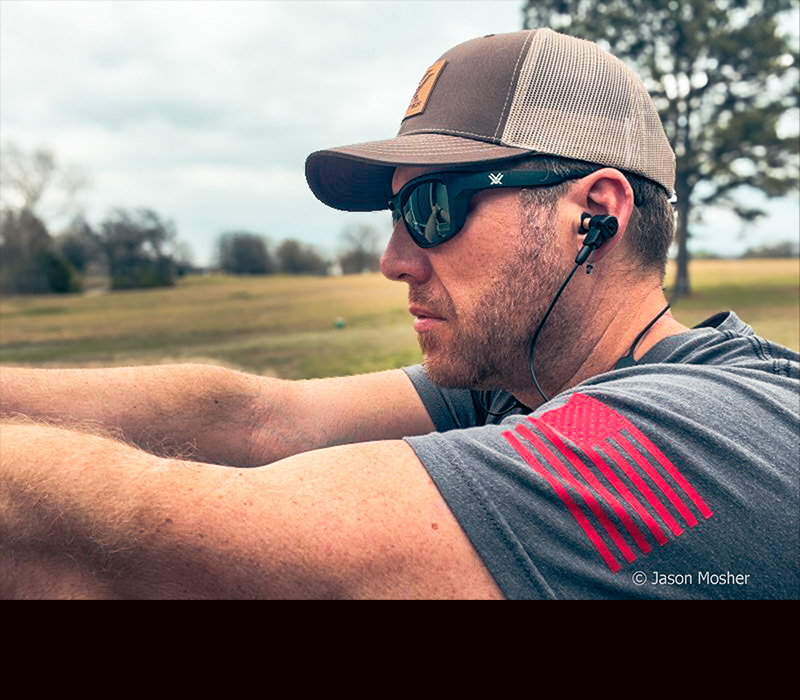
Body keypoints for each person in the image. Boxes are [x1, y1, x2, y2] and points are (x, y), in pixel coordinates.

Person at [1, 28, 797, 600]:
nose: (394, 260)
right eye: (395, 215)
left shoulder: (702, 434)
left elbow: (180, 543)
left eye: (435, 206)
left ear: (595, 213)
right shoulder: (524, 382)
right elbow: (260, 418)